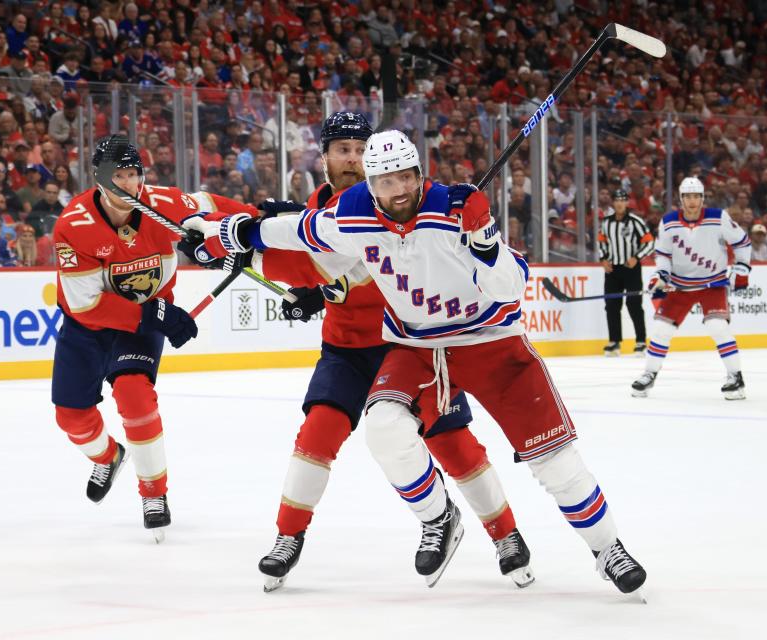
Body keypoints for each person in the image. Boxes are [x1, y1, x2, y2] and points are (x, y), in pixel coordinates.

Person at [185, 130, 647, 595]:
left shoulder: (454, 211)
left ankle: (607, 549)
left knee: (554, 463)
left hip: (491, 342)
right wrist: (236, 231)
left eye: (406, 178)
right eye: (386, 182)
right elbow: (299, 230)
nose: (398, 190)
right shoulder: (351, 213)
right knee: (384, 425)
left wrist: (485, 244)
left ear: (419, 175)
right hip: (418, 349)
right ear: (370, 183)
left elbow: (510, 286)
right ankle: (438, 517)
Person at [226, 113, 533, 591]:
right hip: (346, 348)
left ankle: (506, 535)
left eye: (358, 149)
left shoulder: (384, 209)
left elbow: (364, 266)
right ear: (323, 157)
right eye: (341, 149)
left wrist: (323, 282)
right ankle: (288, 536)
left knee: (452, 444)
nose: (350, 158)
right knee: (317, 432)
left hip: (411, 346)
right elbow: (283, 248)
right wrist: (220, 241)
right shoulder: (311, 213)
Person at [50, 136, 254, 542]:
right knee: (71, 417)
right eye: (119, 177)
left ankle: (153, 494)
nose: (130, 186)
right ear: (100, 180)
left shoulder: (163, 204)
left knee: (135, 396)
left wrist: (253, 222)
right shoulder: (73, 226)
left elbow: (211, 205)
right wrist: (156, 312)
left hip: (140, 327)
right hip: (88, 327)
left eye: (134, 175)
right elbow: (86, 304)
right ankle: (109, 458)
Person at [631, 177, 752, 400]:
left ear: (702, 198)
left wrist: (742, 268)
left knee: (718, 326)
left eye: (696, 196)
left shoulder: (718, 218)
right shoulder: (668, 222)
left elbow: (742, 242)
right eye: (688, 196)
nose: (692, 201)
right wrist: (661, 275)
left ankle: (736, 377)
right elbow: (663, 255)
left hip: (712, 284)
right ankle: (649, 374)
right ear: (681, 199)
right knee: (661, 329)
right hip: (680, 286)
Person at [598, 188, 654, 356]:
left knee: (634, 304)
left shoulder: (635, 221)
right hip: (612, 270)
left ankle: (641, 341)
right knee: (611, 306)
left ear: (627, 203)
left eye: (623, 200)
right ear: (613, 203)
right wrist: (604, 259)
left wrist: (637, 257)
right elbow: (602, 242)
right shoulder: (606, 222)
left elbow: (649, 242)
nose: (620, 203)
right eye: (617, 200)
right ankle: (614, 342)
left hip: (631, 269)